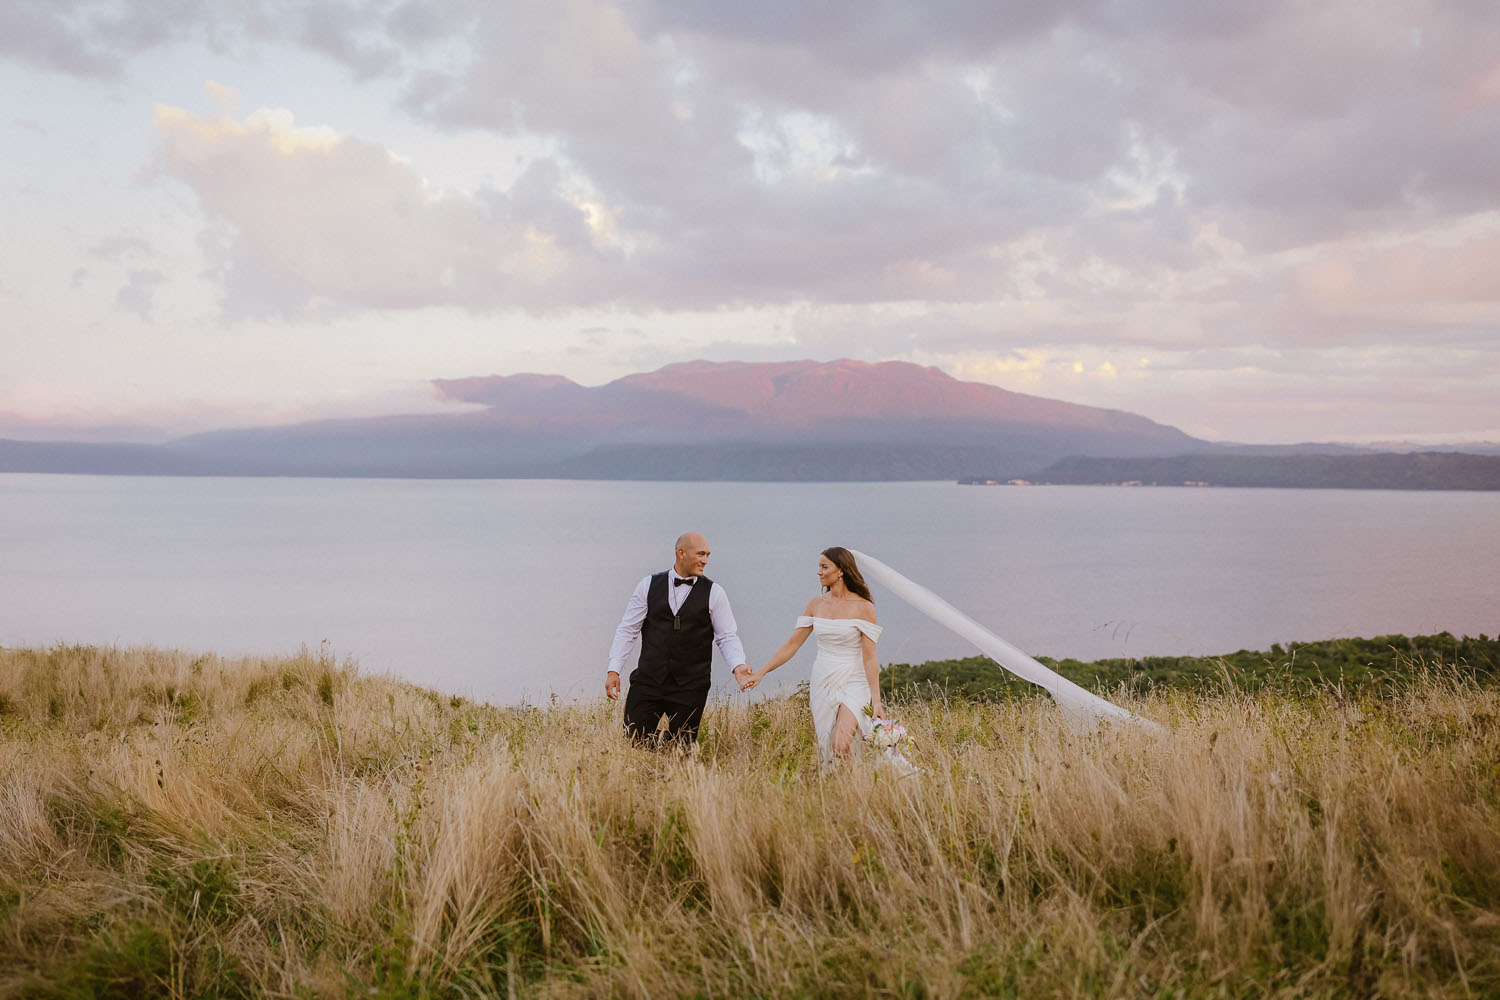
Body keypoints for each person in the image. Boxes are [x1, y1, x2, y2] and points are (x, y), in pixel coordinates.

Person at [606, 531, 751, 744]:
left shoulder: (715, 593)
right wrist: (614, 670)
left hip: (691, 685)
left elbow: (727, 637)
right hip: (649, 681)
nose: (705, 561)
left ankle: (674, 756)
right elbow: (628, 630)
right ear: (681, 553)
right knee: (634, 740)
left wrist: (738, 666)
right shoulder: (648, 585)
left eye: (708, 555)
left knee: (681, 746)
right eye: (701, 554)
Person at [742, 546, 884, 762]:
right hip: (823, 679)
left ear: (841, 571)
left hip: (854, 680)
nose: (819, 572)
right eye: (819, 566)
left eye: (824, 567)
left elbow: (870, 658)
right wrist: (762, 672)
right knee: (829, 747)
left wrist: (876, 700)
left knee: (840, 744)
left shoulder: (864, 607)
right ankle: (847, 782)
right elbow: (792, 645)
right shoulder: (815, 605)